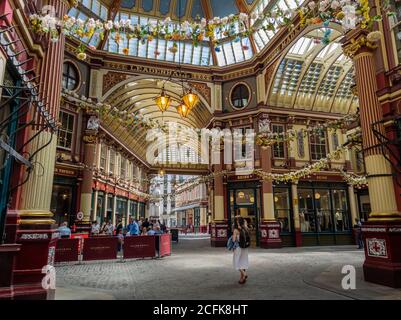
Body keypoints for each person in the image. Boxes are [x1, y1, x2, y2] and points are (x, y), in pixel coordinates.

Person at [232, 216, 250, 284]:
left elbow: (234, 240)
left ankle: (244, 274)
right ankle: (242, 279)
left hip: (238, 247)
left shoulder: (236, 230)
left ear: (236, 222)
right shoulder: (246, 228)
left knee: (236, 262)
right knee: (243, 261)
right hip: (245, 248)